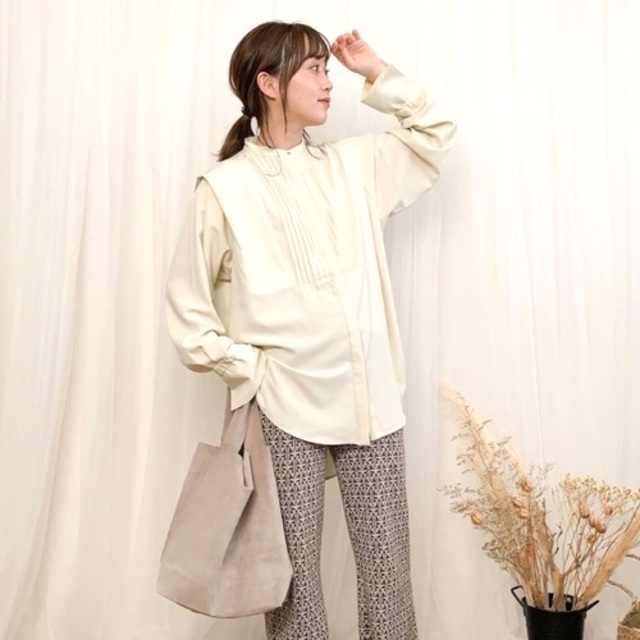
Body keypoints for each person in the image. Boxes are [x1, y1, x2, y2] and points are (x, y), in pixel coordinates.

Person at [166, 20, 456, 640]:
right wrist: (251, 368)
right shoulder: (225, 188)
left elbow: (434, 133)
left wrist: (374, 70)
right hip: (283, 405)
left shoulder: (354, 166)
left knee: (388, 577)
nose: (328, 83)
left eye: (327, 68)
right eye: (314, 70)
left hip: (369, 400)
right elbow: (188, 308)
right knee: (292, 586)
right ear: (269, 84)